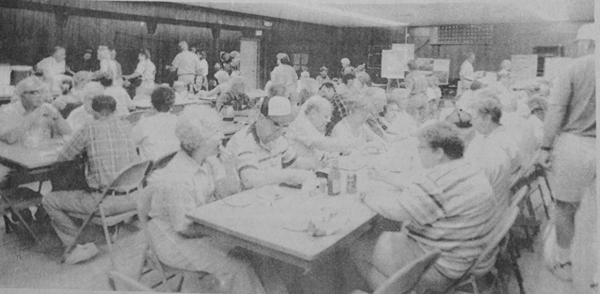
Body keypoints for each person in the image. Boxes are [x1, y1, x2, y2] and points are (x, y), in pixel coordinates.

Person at [347, 121, 497, 294]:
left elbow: (398, 212)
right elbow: (420, 188)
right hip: (460, 258)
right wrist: (385, 177)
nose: (418, 152)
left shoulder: (438, 181)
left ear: (439, 152)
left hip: (439, 268)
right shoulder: (466, 168)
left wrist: (367, 197)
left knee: (355, 246)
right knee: (382, 235)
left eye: (421, 148)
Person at [142, 107, 271, 294]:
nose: (222, 137)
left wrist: (229, 168)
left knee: (259, 255)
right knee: (238, 267)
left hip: (200, 229)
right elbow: (183, 227)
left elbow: (229, 194)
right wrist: (223, 233)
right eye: (216, 133)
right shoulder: (177, 178)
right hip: (172, 239)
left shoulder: (209, 160)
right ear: (199, 140)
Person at [42, 95, 140, 264]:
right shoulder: (127, 126)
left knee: (50, 200)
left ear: (94, 112)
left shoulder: (89, 128)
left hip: (106, 203)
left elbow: (64, 157)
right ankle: (97, 233)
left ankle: (78, 245)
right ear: (114, 110)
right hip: (135, 198)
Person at [539, 23, 596, 282]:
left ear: (586, 43)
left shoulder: (574, 67)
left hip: (576, 143)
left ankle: (564, 262)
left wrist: (546, 147)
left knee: (564, 208)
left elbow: (556, 111)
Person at [226, 96, 319, 190]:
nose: (280, 130)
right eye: (276, 124)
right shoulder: (244, 141)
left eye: (284, 125)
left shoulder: (277, 139)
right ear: (261, 118)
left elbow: (293, 163)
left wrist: (318, 162)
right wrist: (289, 175)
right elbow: (250, 181)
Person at [0, 76, 71, 146]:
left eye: (41, 92)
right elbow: (9, 138)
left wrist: (57, 115)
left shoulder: (46, 110)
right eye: (33, 92)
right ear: (21, 95)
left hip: (40, 154)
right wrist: (35, 114)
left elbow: (68, 133)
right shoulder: (8, 111)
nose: (39, 96)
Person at [286, 96, 352, 161]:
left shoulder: (311, 126)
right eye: (326, 116)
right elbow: (323, 144)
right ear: (313, 114)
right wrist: (346, 144)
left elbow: (321, 151)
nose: (329, 120)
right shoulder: (301, 124)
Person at [133, 86, 179, 161]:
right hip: (173, 167)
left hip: (151, 169)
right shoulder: (178, 121)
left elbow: (131, 143)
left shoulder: (144, 123)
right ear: (171, 105)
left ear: (152, 104)